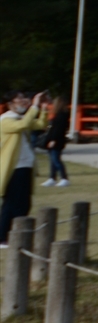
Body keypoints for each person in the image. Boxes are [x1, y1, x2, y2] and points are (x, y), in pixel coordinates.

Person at [2, 92, 50, 241]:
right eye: (19, 99)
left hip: (24, 166)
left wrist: (43, 108)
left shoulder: (20, 118)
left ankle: (17, 235)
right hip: (14, 167)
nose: (23, 101)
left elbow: (41, 124)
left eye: (24, 98)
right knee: (12, 203)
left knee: (23, 203)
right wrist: (34, 106)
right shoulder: (5, 120)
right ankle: (2, 237)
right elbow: (23, 125)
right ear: (10, 104)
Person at [42, 97, 71, 187]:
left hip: (57, 140)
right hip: (52, 138)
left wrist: (53, 140)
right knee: (52, 160)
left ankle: (64, 178)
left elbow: (58, 130)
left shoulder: (62, 115)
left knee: (56, 159)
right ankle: (52, 178)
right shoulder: (57, 114)